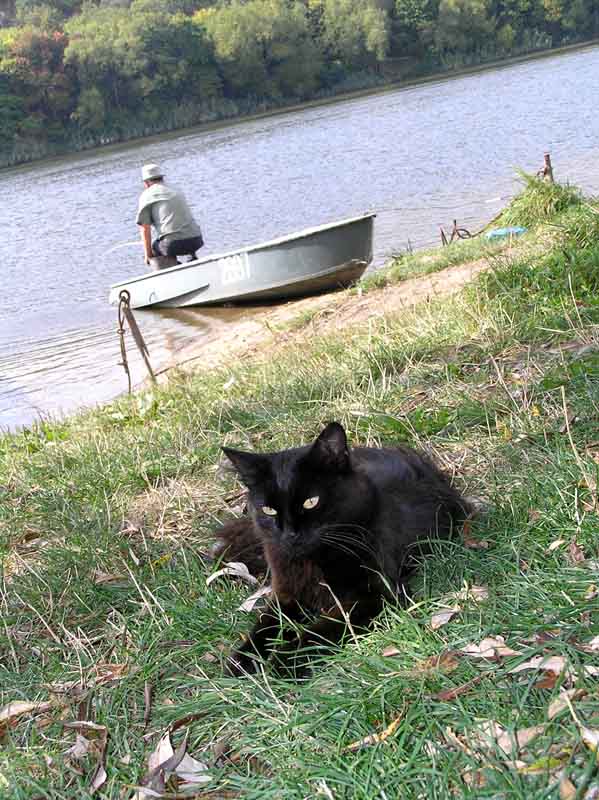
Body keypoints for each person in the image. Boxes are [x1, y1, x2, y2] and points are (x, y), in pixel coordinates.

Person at [136, 163, 204, 268]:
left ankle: (174, 271)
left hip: (173, 244)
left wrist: (148, 255)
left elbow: (145, 229)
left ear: (146, 183)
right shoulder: (176, 188)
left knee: (155, 248)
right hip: (196, 239)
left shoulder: (146, 196)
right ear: (162, 177)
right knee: (180, 236)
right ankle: (192, 259)